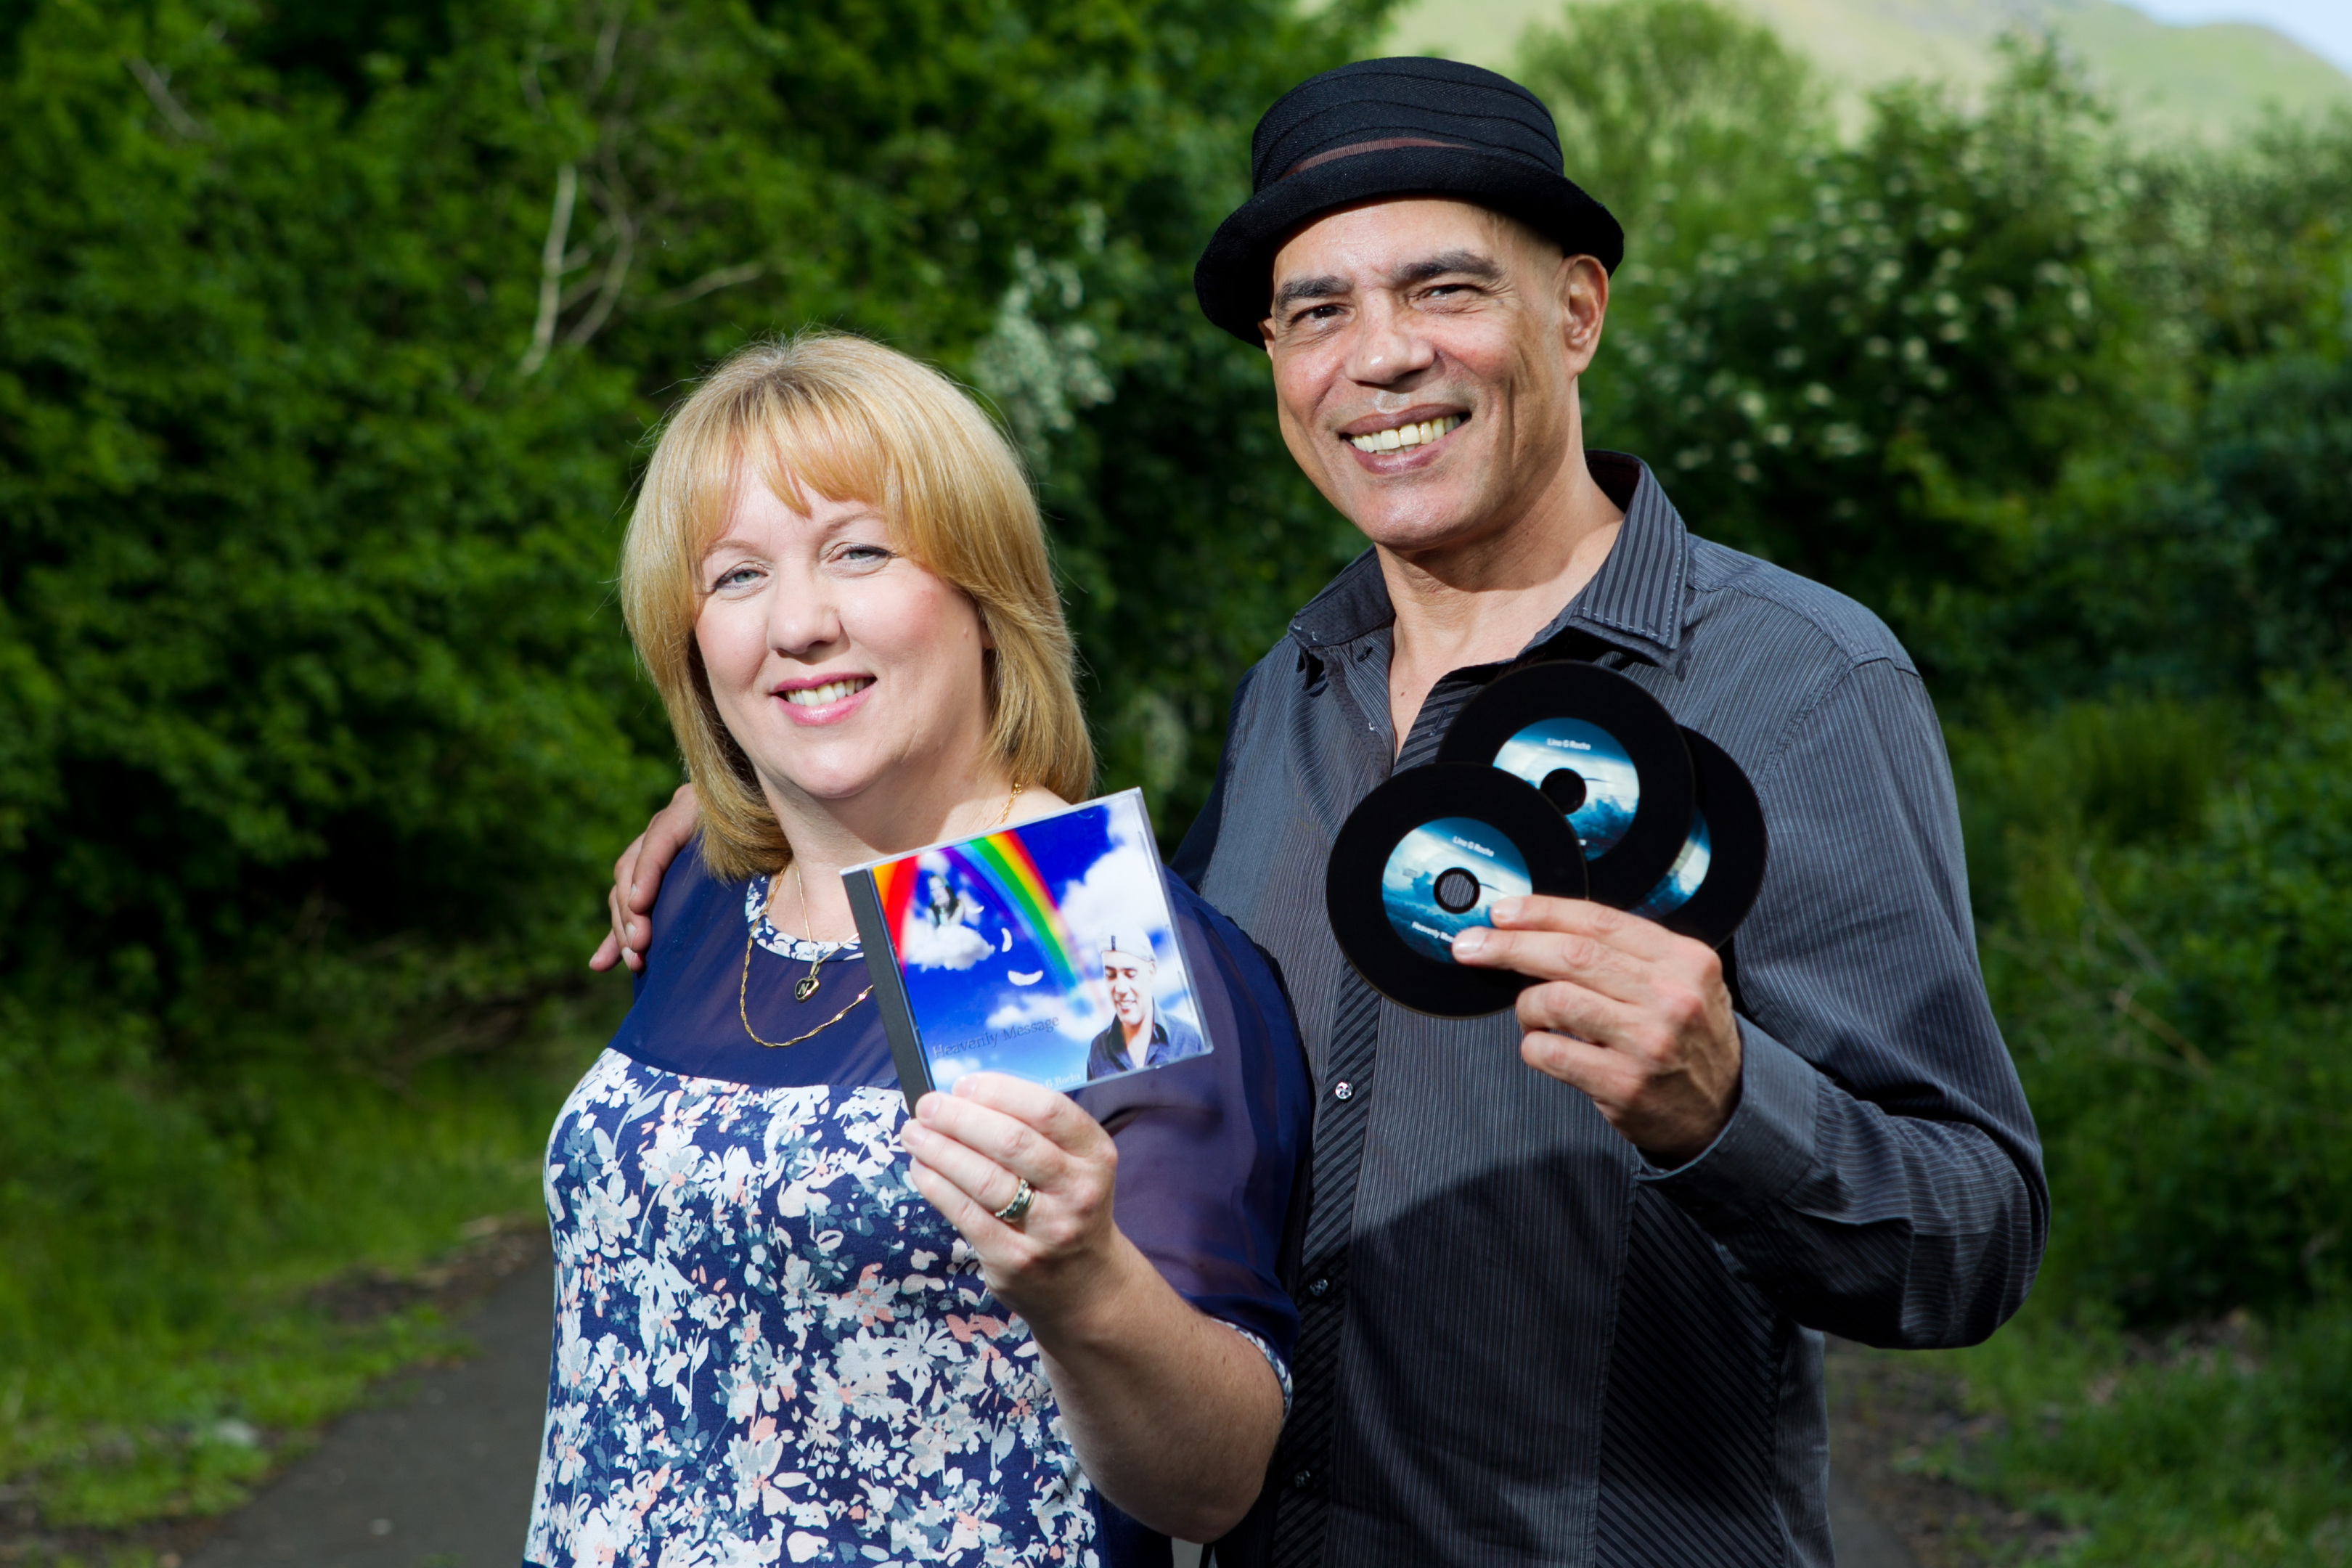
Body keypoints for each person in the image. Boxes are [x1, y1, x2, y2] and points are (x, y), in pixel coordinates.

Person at [595, 60, 2047, 1568]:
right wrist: (776, 806)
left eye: (1446, 290)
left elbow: (1975, 1237)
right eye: (1319, 312)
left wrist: (1729, 1105)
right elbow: (1110, 1017)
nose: (1385, 358)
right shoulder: (1290, 685)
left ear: (1576, 312)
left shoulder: (1800, 677)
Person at [536, 330, 1310, 1567]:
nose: (799, 621)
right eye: (736, 578)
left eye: (859, 551)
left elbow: (1210, 1483)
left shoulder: (1040, 925)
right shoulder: (697, 890)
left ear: (983, 593)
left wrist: (1084, 1288)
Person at [1085, 936, 1206, 1079]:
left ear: (1151, 971)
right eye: (1111, 975)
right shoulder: (1097, 1050)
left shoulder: (1189, 1037)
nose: (1121, 988)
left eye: (1130, 975)